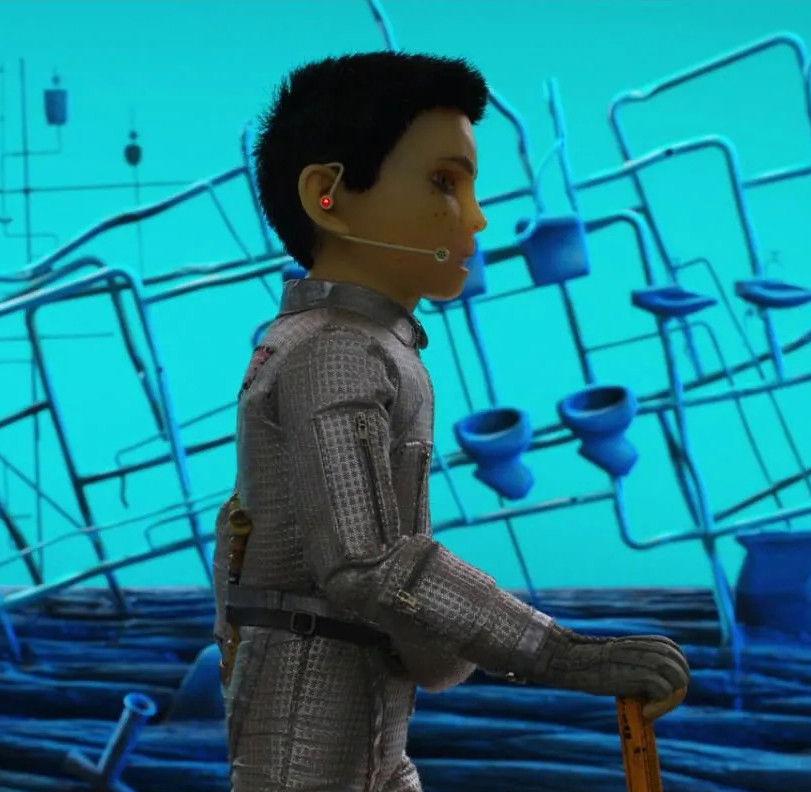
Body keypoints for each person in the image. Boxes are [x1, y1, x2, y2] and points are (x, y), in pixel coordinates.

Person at [211, 51, 691, 791]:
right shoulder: (335, 353)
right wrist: (560, 653)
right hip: (313, 720)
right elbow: (367, 561)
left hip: (360, 713)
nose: (475, 217)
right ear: (327, 197)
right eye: (443, 182)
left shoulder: (357, 345)